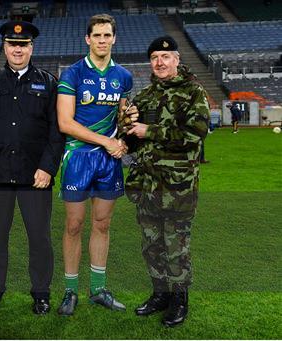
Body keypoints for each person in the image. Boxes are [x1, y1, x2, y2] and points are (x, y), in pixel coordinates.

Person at [0, 20, 64, 314]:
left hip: (35, 178)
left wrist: (48, 168)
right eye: (12, 44)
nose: (17, 49)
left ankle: (41, 293)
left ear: (31, 47)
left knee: (39, 238)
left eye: (23, 45)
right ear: (5, 47)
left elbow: (56, 131)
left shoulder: (48, 83)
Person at [125, 36, 209, 327]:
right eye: (154, 58)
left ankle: (179, 299)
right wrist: (127, 126)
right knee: (152, 245)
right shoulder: (145, 95)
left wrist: (150, 130)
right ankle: (160, 294)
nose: (159, 63)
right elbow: (134, 140)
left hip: (177, 188)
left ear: (176, 60)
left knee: (176, 246)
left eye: (165, 57)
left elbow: (194, 135)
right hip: (146, 186)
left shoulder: (193, 92)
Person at [56, 14, 137, 316]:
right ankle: (70, 291)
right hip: (78, 157)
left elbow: (124, 118)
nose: (102, 40)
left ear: (114, 39)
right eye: (97, 35)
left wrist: (125, 141)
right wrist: (105, 141)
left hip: (109, 162)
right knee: (74, 224)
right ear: (87, 39)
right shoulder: (73, 74)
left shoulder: (124, 77)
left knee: (102, 224)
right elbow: (65, 122)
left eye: (107, 35)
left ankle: (99, 290)